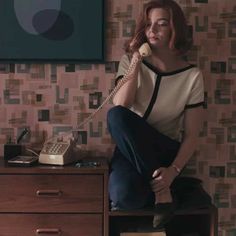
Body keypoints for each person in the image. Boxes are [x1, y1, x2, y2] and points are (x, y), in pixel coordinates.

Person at [107, 0, 204, 229]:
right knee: (123, 197)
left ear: (175, 29)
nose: (152, 30)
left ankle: (165, 187)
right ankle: (165, 193)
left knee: (116, 116)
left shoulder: (192, 76)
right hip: (130, 150)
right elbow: (121, 103)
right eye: (148, 24)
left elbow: (191, 135)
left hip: (164, 149)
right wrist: (136, 61)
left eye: (161, 24)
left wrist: (174, 171)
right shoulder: (130, 63)